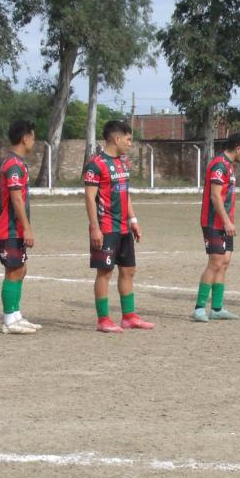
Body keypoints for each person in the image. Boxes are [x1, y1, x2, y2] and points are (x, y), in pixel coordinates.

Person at [84, 120, 153, 333]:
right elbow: (89, 197)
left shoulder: (123, 164)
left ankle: (129, 316)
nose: (130, 143)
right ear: (117, 138)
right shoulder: (96, 164)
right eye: (129, 139)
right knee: (104, 272)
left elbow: (126, 194)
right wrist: (94, 227)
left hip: (123, 227)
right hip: (106, 227)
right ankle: (103, 319)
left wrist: (133, 221)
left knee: (128, 270)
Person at [194, 133, 240, 322]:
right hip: (214, 222)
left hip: (225, 223)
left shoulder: (229, 166)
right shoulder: (219, 164)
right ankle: (199, 308)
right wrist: (226, 221)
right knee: (215, 262)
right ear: (239, 148)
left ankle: (217, 308)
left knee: (224, 263)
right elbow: (215, 196)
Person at [0, 120, 41, 335]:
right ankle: (8, 321)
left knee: (21, 269)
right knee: (13, 271)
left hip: (14, 228)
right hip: (9, 228)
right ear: (25, 138)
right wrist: (27, 228)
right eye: (33, 136)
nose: (34, 140)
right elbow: (15, 199)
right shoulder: (13, 164)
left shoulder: (17, 163)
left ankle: (15, 315)